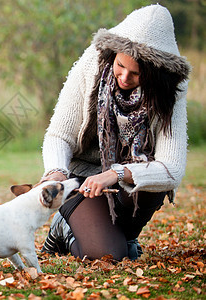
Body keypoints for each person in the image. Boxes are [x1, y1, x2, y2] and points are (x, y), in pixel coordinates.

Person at [39, 4, 191, 261]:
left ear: (154, 73)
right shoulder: (93, 63)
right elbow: (59, 135)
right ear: (114, 53)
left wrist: (116, 173)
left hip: (127, 181)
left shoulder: (169, 91)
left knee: (149, 185)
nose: (124, 77)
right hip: (80, 180)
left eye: (136, 74)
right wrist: (57, 171)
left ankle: (122, 236)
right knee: (108, 255)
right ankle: (64, 228)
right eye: (121, 65)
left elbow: (172, 168)